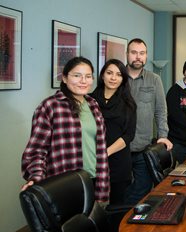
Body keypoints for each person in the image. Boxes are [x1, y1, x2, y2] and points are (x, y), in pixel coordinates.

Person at [21, 57, 109, 202]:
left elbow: (99, 146)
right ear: (65, 78)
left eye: (88, 76)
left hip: (94, 178)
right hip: (64, 182)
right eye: (77, 75)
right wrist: (35, 177)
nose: (83, 81)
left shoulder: (93, 104)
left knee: (91, 223)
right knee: (66, 223)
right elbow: (37, 150)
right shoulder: (50, 106)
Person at [125, 38, 173, 204]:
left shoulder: (154, 79)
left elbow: (161, 110)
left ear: (146, 56)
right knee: (120, 192)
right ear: (127, 54)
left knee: (142, 192)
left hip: (143, 148)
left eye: (142, 53)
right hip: (118, 150)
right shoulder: (116, 78)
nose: (138, 57)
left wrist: (163, 135)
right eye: (134, 52)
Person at [90, 59, 137, 205]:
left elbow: (129, 135)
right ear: (102, 75)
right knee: (91, 207)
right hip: (92, 160)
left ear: (123, 79)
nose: (113, 78)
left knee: (116, 207)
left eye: (118, 74)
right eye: (109, 73)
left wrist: (106, 152)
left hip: (118, 163)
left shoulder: (128, 103)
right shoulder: (89, 100)